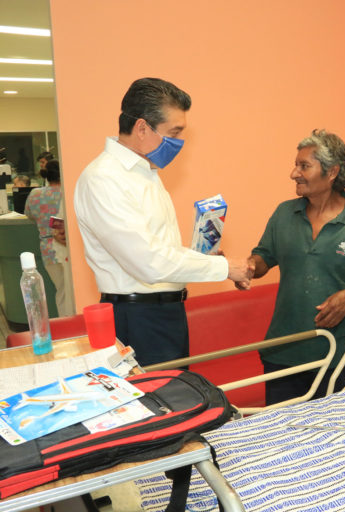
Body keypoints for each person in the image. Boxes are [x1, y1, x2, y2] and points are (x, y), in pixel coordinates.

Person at [74, 77, 252, 367]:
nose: (179, 143)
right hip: (138, 318)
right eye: (174, 132)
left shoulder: (145, 173)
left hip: (165, 313)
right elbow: (147, 262)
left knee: (178, 401)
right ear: (142, 128)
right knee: (156, 406)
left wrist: (199, 258)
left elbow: (159, 249)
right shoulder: (104, 178)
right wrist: (225, 268)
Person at [244, 129, 345, 405]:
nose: (294, 173)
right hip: (282, 352)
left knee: (332, 438)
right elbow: (263, 258)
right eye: (296, 165)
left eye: (304, 166)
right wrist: (244, 267)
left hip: (336, 355)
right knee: (280, 436)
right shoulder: (284, 214)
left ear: (332, 172)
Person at [24, 160, 75, 316]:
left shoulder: (36, 194)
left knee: (61, 291)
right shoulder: (69, 191)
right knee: (73, 292)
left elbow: (29, 214)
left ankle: (66, 326)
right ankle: (76, 325)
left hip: (47, 248)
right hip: (69, 246)